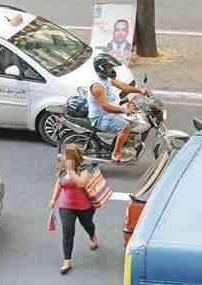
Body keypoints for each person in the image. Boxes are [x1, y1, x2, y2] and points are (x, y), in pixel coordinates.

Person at [47, 144, 98, 275]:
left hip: (84, 206)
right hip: (66, 205)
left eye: (66, 155)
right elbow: (59, 183)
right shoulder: (62, 168)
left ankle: (92, 236)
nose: (63, 157)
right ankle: (67, 260)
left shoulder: (85, 167)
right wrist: (53, 199)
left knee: (88, 225)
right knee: (67, 232)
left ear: (74, 157)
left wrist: (71, 171)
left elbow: (81, 182)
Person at [88, 53, 147, 162]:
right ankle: (116, 153)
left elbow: (123, 86)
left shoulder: (107, 80)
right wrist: (124, 109)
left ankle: (126, 142)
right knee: (125, 126)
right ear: (102, 68)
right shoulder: (97, 87)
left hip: (109, 111)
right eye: (110, 67)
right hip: (100, 117)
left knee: (133, 118)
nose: (112, 69)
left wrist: (139, 90)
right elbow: (105, 107)